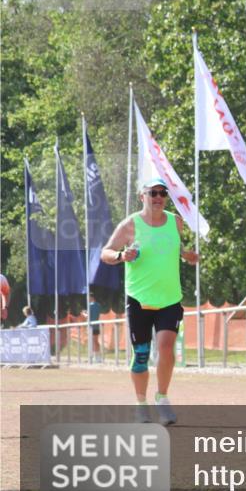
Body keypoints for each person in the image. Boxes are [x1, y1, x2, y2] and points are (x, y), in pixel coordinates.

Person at [101, 178, 200, 424]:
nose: (158, 197)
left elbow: (174, 249)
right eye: (152, 193)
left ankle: (162, 398)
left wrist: (187, 255)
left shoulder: (176, 221)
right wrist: (122, 255)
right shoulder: (130, 225)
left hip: (169, 298)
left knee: (166, 348)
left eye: (162, 193)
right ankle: (140, 402)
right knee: (142, 355)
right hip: (139, 299)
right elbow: (105, 252)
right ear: (141, 196)